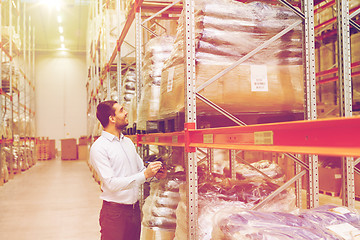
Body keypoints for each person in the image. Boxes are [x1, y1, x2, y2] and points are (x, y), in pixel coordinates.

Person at [89, 100, 166, 240]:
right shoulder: (99, 148)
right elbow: (111, 184)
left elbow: (140, 171)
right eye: (121, 110)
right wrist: (145, 174)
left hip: (134, 211)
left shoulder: (128, 142)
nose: (126, 113)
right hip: (114, 214)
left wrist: (155, 175)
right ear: (112, 118)